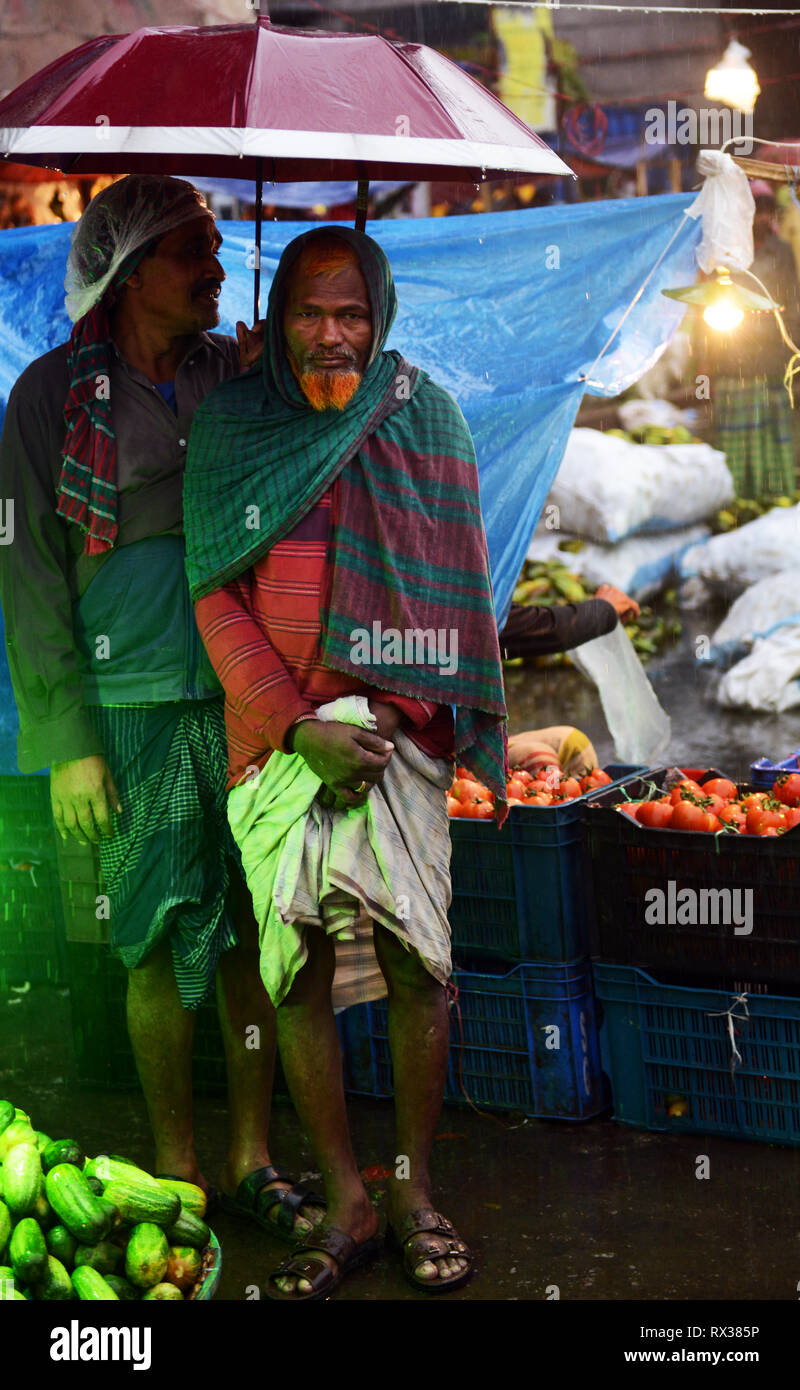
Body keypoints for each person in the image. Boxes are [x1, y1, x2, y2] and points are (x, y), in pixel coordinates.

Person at [183, 225, 509, 1299]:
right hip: (277, 745)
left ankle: (412, 1192)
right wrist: (294, 724)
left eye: (351, 313)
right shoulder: (233, 421)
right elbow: (212, 594)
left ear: (379, 318)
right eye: (310, 313)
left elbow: (457, 591)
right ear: (279, 319)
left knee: (421, 966)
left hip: (396, 743)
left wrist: (399, 709)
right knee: (299, 970)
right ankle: (347, 1199)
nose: (330, 335)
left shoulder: (425, 418)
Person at [0, 174, 324, 1243]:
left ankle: (251, 1159)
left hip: (247, 696)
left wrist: (275, 380)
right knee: (150, 937)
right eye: (197, 250)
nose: (219, 268)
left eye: (221, 246)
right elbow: (31, 581)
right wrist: (68, 748)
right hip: (131, 701)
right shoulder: (49, 398)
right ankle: (177, 1163)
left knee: (247, 936)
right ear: (138, 271)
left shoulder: (230, 375)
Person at [699, 180, 800, 496]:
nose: (760, 219)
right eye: (754, 211)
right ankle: (737, 497)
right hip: (733, 359)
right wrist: (705, 362)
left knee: (773, 432)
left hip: (772, 359)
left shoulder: (782, 252)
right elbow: (707, 307)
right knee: (736, 435)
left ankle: (774, 494)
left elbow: (795, 308)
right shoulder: (724, 255)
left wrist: (799, 359)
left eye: (766, 212)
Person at [499, 581, 640, 777]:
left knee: (575, 745)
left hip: (480, 737)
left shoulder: (477, 599)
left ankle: (572, 804)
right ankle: (544, 802)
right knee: (541, 760)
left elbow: (507, 625)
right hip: (450, 747)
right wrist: (599, 612)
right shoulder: (450, 605)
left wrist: (599, 612)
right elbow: (511, 628)